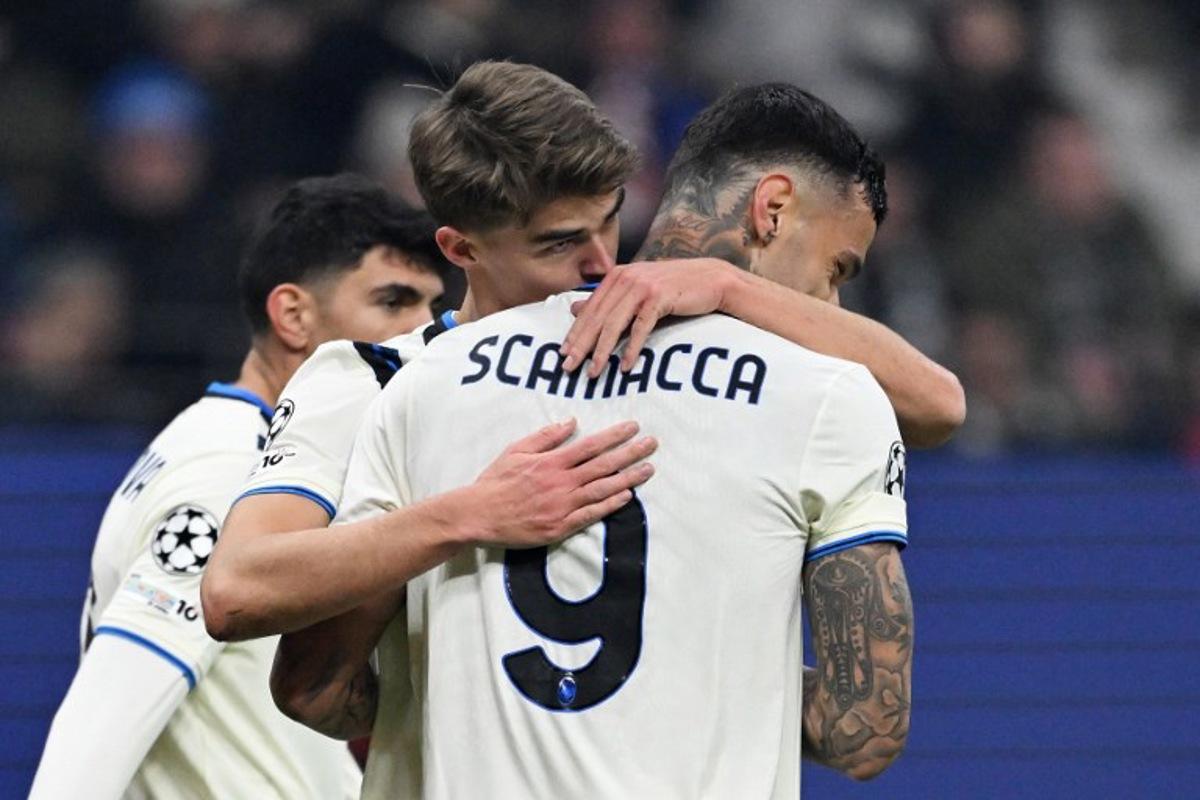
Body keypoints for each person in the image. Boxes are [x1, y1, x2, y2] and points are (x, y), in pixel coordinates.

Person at [271, 83, 919, 796]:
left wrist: (465, 678)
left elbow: (314, 688)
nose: (831, 305)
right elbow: (865, 726)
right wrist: (715, 681)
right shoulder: (831, 393)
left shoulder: (427, 379)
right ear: (771, 209)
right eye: (837, 270)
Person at [203, 62, 959, 646]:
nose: (602, 262)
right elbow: (236, 590)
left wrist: (727, 285)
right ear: (461, 249)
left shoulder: (654, 338)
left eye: (609, 220)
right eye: (560, 244)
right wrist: (466, 515)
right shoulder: (373, 377)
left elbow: (935, 404)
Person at [28, 174, 449, 799]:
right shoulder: (231, 474)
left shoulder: (263, 462)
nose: (423, 334)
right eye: (394, 302)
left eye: (432, 307)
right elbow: (107, 709)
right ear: (293, 314)